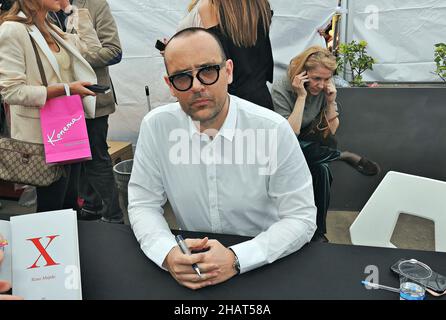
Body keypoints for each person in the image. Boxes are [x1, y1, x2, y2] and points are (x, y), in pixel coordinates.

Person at [128, 27, 316, 290]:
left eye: (207, 71)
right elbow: (143, 203)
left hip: (265, 264)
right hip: (192, 266)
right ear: (170, 85)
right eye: (182, 77)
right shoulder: (156, 127)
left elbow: (302, 217)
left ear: (228, 71)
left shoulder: (271, 130)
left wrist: (237, 258)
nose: (196, 86)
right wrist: (167, 252)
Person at [271, 46, 380, 243]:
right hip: (281, 145)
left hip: (312, 147)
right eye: (316, 79)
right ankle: (341, 156)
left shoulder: (324, 90)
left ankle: (318, 232)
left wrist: (330, 102)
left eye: (326, 79)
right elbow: (289, 134)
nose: (321, 85)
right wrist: (301, 96)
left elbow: (331, 130)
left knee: (322, 170)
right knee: (301, 146)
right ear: (302, 73)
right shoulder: (282, 87)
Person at [0, 0, 98, 212]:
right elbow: (11, 91)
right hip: (42, 135)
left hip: (68, 127)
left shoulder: (50, 27)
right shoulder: (13, 30)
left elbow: (90, 48)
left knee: (70, 205)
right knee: (51, 209)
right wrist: (65, 89)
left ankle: (70, 244)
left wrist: (73, 11)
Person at [49, 0, 124, 223]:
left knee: (96, 158)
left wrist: (69, 57)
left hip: (93, 99)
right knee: (69, 161)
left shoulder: (95, 5)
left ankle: (113, 217)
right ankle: (90, 208)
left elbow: (114, 52)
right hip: (59, 100)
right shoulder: (43, 8)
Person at [177, 0, 274, 110]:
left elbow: (216, 55)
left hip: (231, 101)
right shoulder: (260, 4)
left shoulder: (210, 6)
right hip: (261, 98)